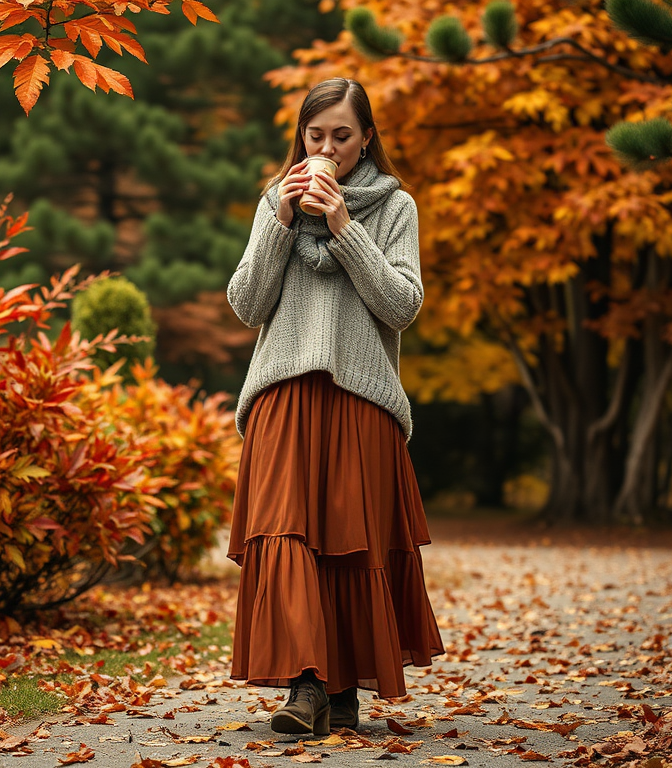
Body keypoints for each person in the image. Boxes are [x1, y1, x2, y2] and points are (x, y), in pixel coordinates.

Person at [226, 77, 445, 736]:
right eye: (315, 135)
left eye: (341, 135)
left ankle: (341, 687)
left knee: (351, 545)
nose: (327, 147)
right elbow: (245, 304)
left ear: (367, 137)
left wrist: (347, 228)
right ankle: (306, 684)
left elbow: (403, 306)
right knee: (287, 535)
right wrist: (282, 222)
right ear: (301, 137)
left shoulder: (394, 206)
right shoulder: (276, 204)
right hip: (283, 392)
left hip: (360, 395)